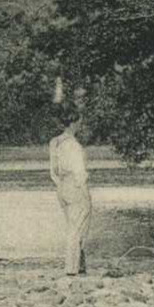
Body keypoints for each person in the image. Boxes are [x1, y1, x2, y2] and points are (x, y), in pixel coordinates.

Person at [47, 108, 92, 275]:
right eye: (79, 122)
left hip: (62, 187)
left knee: (72, 225)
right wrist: (85, 191)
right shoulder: (74, 145)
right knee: (79, 227)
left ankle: (78, 266)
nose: (80, 125)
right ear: (73, 123)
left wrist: (60, 184)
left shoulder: (54, 142)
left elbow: (53, 171)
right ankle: (72, 268)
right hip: (75, 186)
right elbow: (79, 172)